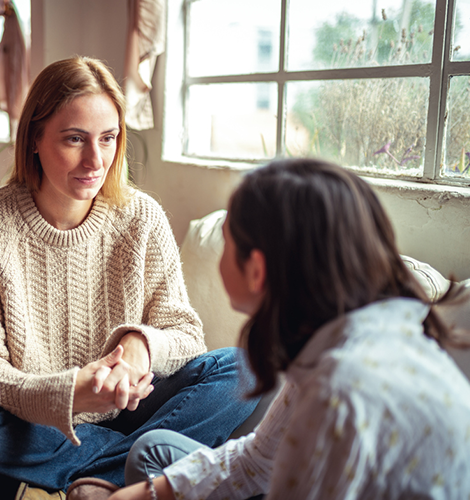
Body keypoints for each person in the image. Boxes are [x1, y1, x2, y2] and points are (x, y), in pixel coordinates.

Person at [0, 56, 260, 500]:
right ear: (34, 139)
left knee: (249, 365)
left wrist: (140, 348)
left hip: (136, 406)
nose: (95, 159)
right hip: (40, 420)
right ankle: (135, 471)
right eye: (74, 139)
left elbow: (185, 333)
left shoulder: (141, 217)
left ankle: (102, 480)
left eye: (108, 138)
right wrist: (71, 394)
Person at [108, 158, 470, 500]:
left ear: (257, 270)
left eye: (228, 237)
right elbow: (257, 461)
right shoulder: (345, 336)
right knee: (152, 452)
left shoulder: (339, 390)